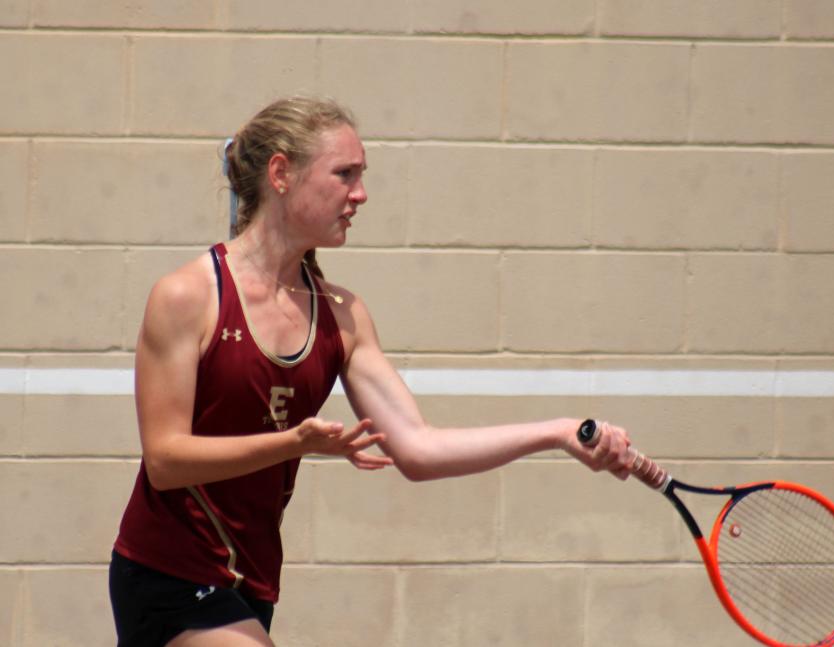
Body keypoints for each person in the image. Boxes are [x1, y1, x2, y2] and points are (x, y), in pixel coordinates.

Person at [109, 96, 642, 647]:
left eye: (361, 176)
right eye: (344, 175)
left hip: (254, 584)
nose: (360, 194)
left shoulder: (343, 315)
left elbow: (417, 449)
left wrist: (556, 433)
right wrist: (292, 442)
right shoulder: (188, 296)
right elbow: (166, 460)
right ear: (281, 173)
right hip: (167, 573)